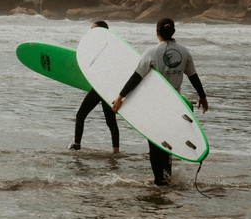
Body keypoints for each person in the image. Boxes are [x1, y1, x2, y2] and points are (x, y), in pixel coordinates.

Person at [112, 18, 208, 185]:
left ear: (157, 32)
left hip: (155, 105)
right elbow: (193, 76)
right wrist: (202, 96)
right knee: (168, 140)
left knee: (155, 142)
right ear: (173, 32)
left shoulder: (151, 52)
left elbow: (136, 77)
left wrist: (121, 97)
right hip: (174, 104)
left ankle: (158, 180)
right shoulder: (184, 52)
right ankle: (167, 176)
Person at [69, 21, 120, 153]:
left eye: (93, 29)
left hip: (101, 87)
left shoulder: (103, 48)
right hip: (107, 87)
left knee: (81, 114)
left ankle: (76, 144)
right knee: (110, 121)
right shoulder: (110, 47)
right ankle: (116, 151)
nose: (91, 32)